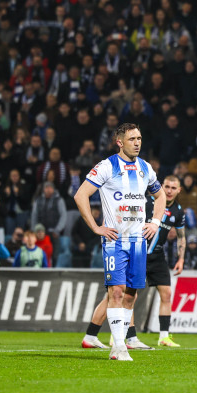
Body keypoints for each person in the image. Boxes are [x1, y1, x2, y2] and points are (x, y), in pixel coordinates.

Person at [72, 123, 165, 361]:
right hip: (115, 241)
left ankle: (120, 342)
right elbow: (80, 195)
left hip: (139, 241)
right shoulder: (106, 166)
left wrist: (155, 221)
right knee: (115, 292)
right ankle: (119, 347)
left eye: (140, 138)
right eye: (132, 138)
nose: (137, 142)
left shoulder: (146, 168)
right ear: (120, 142)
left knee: (131, 295)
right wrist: (95, 227)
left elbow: (160, 194)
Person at [83, 174, 186, 350]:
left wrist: (181, 258)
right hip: (134, 251)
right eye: (166, 187)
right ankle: (117, 336)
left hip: (156, 255)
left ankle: (157, 337)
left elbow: (182, 236)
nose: (168, 191)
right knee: (119, 294)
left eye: (173, 188)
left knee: (156, 294)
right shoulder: (145, 202)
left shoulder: (178, 211)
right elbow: (123, 217)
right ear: (161, 186)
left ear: (179, 190)